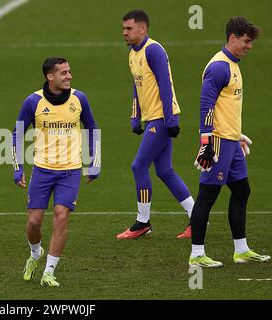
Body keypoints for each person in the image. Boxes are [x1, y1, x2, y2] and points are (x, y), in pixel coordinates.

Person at [189, 17, 270, 267]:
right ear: (232, 38)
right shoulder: (219, 67)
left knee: (241, 190)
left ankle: (241, 250)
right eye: (246, 41)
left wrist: (237, 133)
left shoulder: (234, 64)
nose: (249, 46)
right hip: (219, 142)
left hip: (231, 141)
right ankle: (196, 255)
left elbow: (226, 107)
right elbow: (206, 105)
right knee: (207, 195)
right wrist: (207, 141)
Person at [12, 57, 100, 287]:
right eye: (64, 73)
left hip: (70, 171)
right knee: (34, 222)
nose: (69, 76)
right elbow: (17, 133)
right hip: (42, 170)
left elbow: (93, 128)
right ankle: (35, 254)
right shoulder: (33, 102)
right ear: (50, 77)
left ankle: (49, 271)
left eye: (70, 71)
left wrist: (95, 163)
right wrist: (17, 167)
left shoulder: (79, 99)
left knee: (61, 218)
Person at [116, 9, 194, 240]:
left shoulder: (154, 50)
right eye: (123, 29)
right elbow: (136, 87)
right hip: (151, 117)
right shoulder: (132, 53)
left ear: (143, 28)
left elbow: (166, 85)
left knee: (138, 166)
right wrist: (134, 115)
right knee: (164, 170)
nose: (125, 33)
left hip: (161, 118)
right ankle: (197, 217)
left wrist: (171, 120)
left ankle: (142, 222)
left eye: (129, 29)